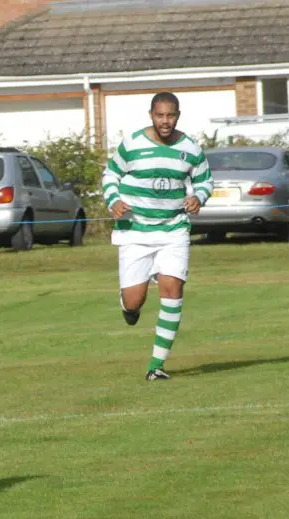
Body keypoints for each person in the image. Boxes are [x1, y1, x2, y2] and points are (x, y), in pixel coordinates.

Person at [102, 91, 213, 381]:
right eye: (160, 115)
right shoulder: (133, 144)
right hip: (135, 231)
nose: (166, 121)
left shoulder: (190, 147)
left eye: (171, 115)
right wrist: (113, 200)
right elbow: (110, 175)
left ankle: (156, 366)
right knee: (135, 301)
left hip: (174, 229)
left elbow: (205, 180)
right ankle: (128, 303)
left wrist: (198, 196)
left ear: (178, 115)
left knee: (173, 289)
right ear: (151, 114)